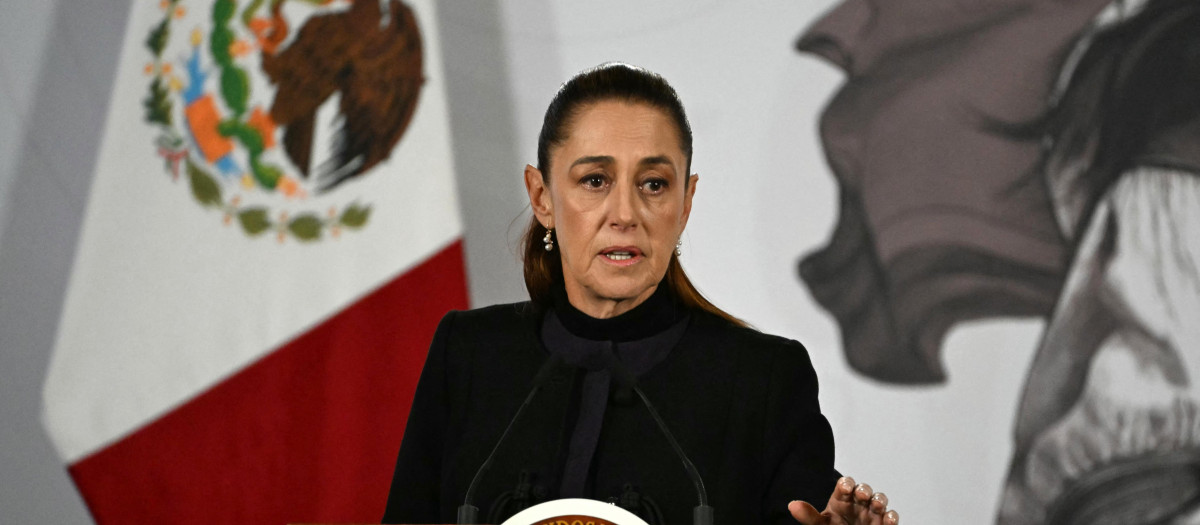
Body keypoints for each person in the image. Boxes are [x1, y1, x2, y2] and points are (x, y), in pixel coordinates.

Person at [382, 63, 899, 525]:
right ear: (542, 197)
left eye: (653, 184)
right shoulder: (469, 353)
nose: (625, 214)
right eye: (595, 180)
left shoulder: (763, 381)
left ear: (686, 200)